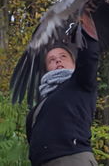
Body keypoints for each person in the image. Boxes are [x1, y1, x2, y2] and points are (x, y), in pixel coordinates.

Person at [26, 12, 100, 166]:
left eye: (63, 56)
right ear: (47, 69)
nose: (58, 60)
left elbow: (89, 58)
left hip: (73, 158)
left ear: (74, 64)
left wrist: (86, 23)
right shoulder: (36, 110)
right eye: (51, 60)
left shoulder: (80, 84)